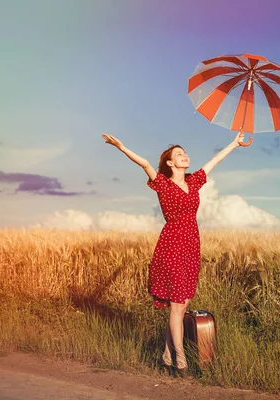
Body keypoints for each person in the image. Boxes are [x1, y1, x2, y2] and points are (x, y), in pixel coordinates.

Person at [101, 131, 245, 375]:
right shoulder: (163, 184)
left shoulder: (194, 181)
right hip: (172, 244)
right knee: (177, 306)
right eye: (179, 154)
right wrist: (122, 147)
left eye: (185, 153)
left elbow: (214, 161)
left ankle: (166, 354)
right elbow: (145, 164)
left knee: (183, 303)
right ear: (170, 163)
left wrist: (234, 143)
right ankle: (181, 359)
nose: (185, 156)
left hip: (191, 245)